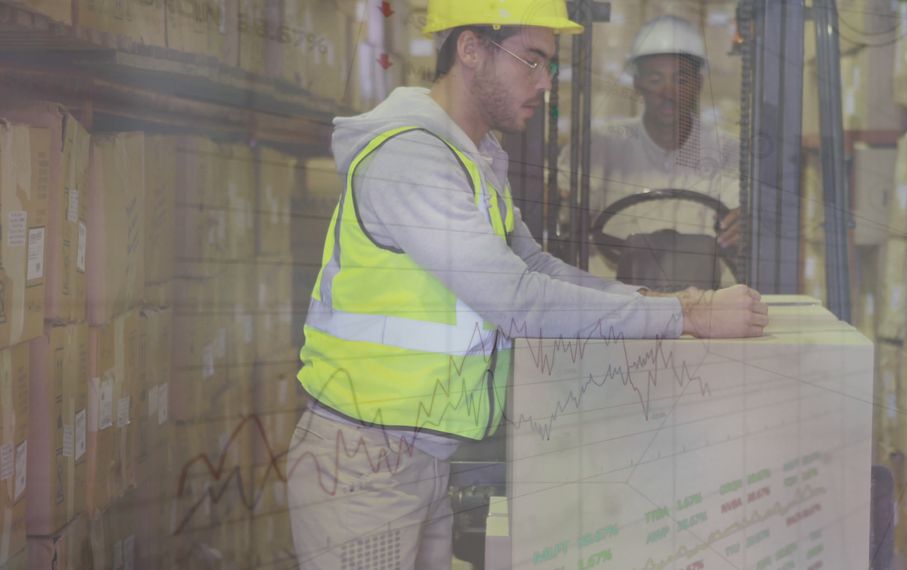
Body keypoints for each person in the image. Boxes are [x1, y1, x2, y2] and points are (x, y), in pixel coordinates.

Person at [286, 2, 769, 569]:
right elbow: (515, 299)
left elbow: (536, 268)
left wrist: (669, 302)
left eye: (550, 66)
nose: (544, 83)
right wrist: (687, 317)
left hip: (420, 458)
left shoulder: (476, 157)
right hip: (364, 463)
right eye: (532, 60)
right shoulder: (411, 159)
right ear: (471, 49)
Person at [559, 15, 742, 281]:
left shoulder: (727, 151)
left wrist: (744, 223)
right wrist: (560, 203)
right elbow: (561, 209)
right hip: (617, 303)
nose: (668, 92)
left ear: (698, 85)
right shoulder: (599, 146)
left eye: (680, 80)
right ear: (637, 84)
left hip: (707, 300)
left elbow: (743, 216)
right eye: (656, 79)